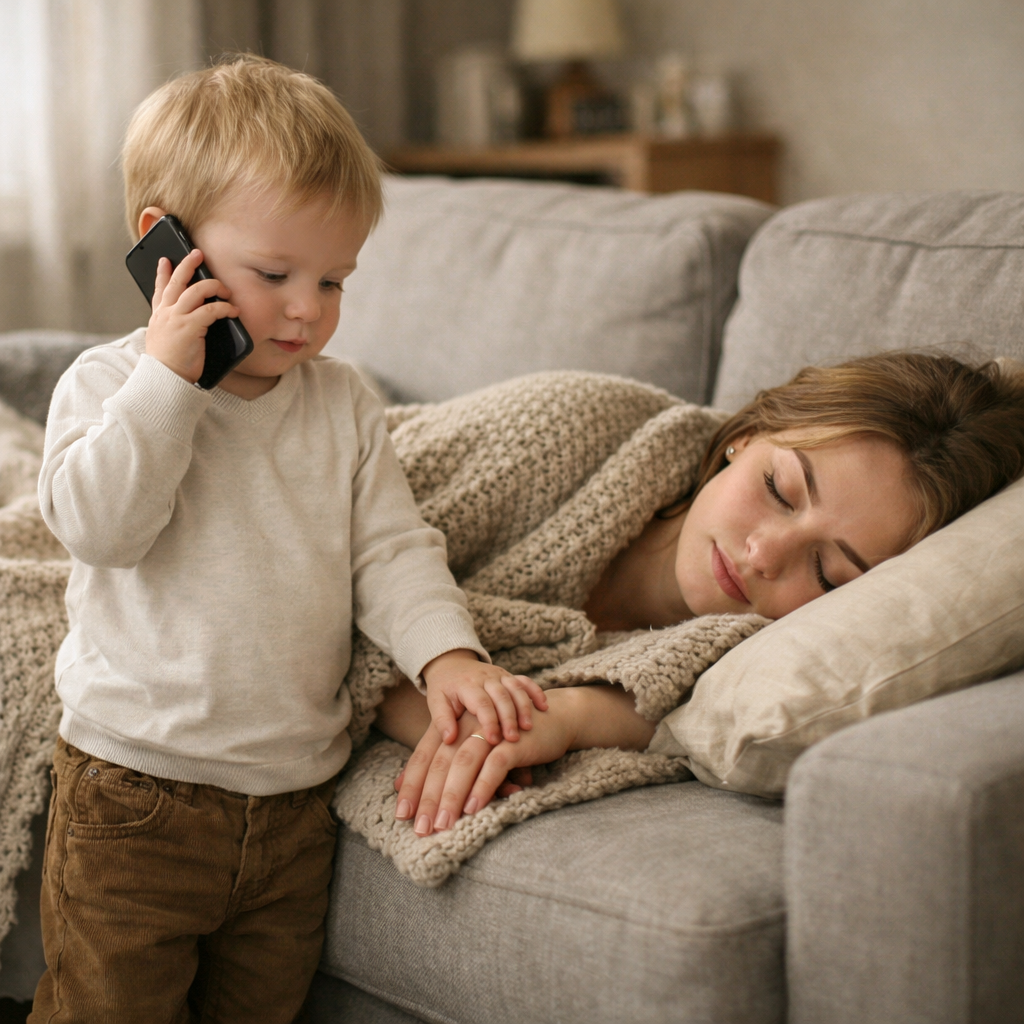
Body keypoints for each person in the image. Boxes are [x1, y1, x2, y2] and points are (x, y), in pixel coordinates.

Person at [32, 55, 545, 1023]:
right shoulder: (107, 391)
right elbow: (101, 526)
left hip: (289, 809)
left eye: (334, 279)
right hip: (133, 792)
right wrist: (167, 384)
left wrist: (446, 657)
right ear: (165, 247)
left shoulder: (343, 404)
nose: (308, 308)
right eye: (275, 275)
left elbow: (392, 548)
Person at [376, 351, 1024, 837]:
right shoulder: (564, 427)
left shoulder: (752, 661)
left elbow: (674, 720)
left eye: (828, 573)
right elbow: (309, 548)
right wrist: (426, 701)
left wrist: (570, 715)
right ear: (747, 434)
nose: (764, 553)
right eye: (780, 489)